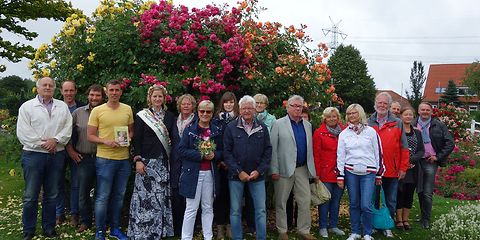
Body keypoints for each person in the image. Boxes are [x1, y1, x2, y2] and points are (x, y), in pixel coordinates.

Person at [17, 77, 72, 240]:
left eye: (50, 85)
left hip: (56, 155)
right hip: (33, 156)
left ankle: (49, 228)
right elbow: (24, 133)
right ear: (38, 87)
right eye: (44, 85)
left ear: (54, 88)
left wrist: (55, 140)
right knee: (30, 196)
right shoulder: (27, 107)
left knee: (52, 194)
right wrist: (45, 144)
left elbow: (67, 128)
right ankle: (28, 230)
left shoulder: (62, 107)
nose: (47, 87)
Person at [87, 79, 134, 240]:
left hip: (123, 160)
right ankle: (99, 231)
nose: (114, 93)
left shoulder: (127, 109)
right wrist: (105, 141)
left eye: (117, 90)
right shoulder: (98, 111)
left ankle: (115, 229)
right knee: (102, 196)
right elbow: (90, 136)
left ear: (121, 92)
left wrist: (127, 139)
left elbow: (131, 131)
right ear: (106, 92)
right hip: (105, 159)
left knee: (119, 196)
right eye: (111, 90)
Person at [127, 85, 175, 239]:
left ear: (164, 98)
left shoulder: (170, 117)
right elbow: (137, 139)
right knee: (144, 198)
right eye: (154, 96)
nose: (157, 99)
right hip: (146, 163)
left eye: (160, 96)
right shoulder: (142, 116)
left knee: (160, 197)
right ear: (150, 98)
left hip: (162, 163)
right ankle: (142, 232)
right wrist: (138, 159)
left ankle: (159, 231)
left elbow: (172, 140)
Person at [223, 95, 272, 240]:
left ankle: (261, 237)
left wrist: (259, 170)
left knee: (261, 210)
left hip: (257, 176)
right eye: (244, 108)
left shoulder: (262, 127)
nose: (247, 111)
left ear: (254, 109)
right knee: (235, 210)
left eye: (250, 108)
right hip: (236, 176)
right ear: (240, 109)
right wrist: (239, 172)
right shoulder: (231, 127)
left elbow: (268, 151)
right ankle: (237, 237)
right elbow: (227, 152)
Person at [270, 95, 317, 240]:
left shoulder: (307, 125)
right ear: (287, 107)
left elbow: (310, 150)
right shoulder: (278, 124)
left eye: (300, 106)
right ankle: (282, 230)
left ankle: (303, 230)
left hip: (302, 168)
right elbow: (272, 148)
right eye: (294, 105)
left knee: (305, 200)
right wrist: (274, 169)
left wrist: (312, 171)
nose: (297, 108)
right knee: (281, 201)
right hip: (283, 169)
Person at [337, 104, 384, 240]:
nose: (352, 116)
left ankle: (368, 233)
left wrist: (379, 173)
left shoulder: (371, 132)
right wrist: (340, 175)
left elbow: (378, 153)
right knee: (354, 203)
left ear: (361, 114)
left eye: (354, 113)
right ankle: (355, 232)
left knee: (366, 204)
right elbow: (340, 156)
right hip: (351, 172)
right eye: (349, 113)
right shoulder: (344, 134)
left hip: (368, 173)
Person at [179, 100, 223, 240]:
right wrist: (200, 155)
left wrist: (215, 155)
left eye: (208, 111)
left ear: (212, 113)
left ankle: (208, 237)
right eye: (202, 111)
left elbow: (224, 151)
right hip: (193, 173)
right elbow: (181, 150)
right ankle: (186, 237)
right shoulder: (190, 129)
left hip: (210, 173)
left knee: (208, 207)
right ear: (197, 111)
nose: (205, 114)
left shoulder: (217, 130)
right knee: (191, 208)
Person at [367, 92, 409, 238]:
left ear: (389, 106)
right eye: (380, 102)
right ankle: (372, 225)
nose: (382, 105)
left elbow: (404, 147)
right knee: (372, 199)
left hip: (391, 169)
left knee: (390, 200)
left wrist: (403, 167)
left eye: (385, 103)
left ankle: (387, 225)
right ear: (375, 103)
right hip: (372, 170)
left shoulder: (398, 123)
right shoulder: (368, 122)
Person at [65, 84, 105, 233]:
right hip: (85, 158)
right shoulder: (78, 113)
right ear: (88, 96)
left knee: (103, 191)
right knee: (83, 192)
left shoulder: (108, 112)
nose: (94, 98)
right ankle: (85, 221)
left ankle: (102, 220)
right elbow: (67, 134)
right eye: (92, 95)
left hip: (104, 157)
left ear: (102, 97)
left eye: (98, 95)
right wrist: (71, 151)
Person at [414, 102, 454, 229]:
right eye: (422, 110)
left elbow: (450, 143)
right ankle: (403, 217)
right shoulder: (412, 123)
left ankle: (425, 219)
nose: (425, 112)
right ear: (418, 111)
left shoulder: (439, 125)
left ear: (431, 112)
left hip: (430, 162)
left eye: (427, 110)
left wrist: (438, 156)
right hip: (415, 162)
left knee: (427, 192)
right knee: (417, 190)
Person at [313, 107, 345, 238]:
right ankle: (322, 226)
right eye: (329, 117)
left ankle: (333, 225)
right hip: (325, 172)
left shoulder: (344, 131)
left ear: (338, 117)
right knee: (325, 200)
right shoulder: (319, 133)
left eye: (334, 116)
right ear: (324, 118)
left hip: (340, 172)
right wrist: (317, 173)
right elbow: (316, 154)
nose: (332, 119)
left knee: (336, 200)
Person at [56, 80, 84, 226]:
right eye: (66, 90)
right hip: (59, 150)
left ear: (75, 91)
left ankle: (74, 214)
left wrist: (73, 150)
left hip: (77, 151)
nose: (68, 93)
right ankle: (59, 213)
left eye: (71, 90)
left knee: (76, 184)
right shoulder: (55, 107)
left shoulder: (82, 107)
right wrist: (69, 149)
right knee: (58, 183)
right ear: (61, 91)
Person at [213, 91, 239, 239]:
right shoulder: (216, 120)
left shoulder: (239, 119)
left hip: (234, 165)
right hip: (219, 164)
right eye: (226, 102)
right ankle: (220, 228)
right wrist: (221, 160)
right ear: (222, 104)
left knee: (233, 198)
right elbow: (213, 142)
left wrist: (231, 162)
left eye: (231, 102)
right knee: (220, 197)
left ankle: (230, 226)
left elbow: (240, 145)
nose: (228, 105)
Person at [170, 94, 197, 236]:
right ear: (179, 106)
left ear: (193, 106)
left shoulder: (197, 122)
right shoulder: (173, 121)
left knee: (190, 196)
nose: (186, 106)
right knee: (176, 195)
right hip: (175, 162)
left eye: (188, 104)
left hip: (191, 163)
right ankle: (177, 227)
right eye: (183, 104)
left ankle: (191, 228)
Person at [395, 107, 424, 231]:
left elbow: (421, 150)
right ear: (401, 116)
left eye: (410, 115)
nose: (408, 116)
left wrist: (411, 161)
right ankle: (399, 220)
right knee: (399, 193)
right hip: (400, 168)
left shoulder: (417, 132)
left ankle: (406, 220)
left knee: (409, 194)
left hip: (412, 169)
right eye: (405, 114)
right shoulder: (397, 131)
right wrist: (404, 163)